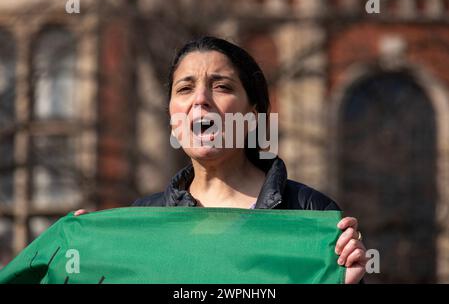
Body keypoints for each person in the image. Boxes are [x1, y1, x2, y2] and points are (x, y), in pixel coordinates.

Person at [76, 36, 367, 284]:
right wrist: (88, 258)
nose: (200, 99)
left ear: (253, 116)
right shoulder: (143, 219)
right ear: (172, 118)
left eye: (222, 86)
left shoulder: (310, 213)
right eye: (185, 88)